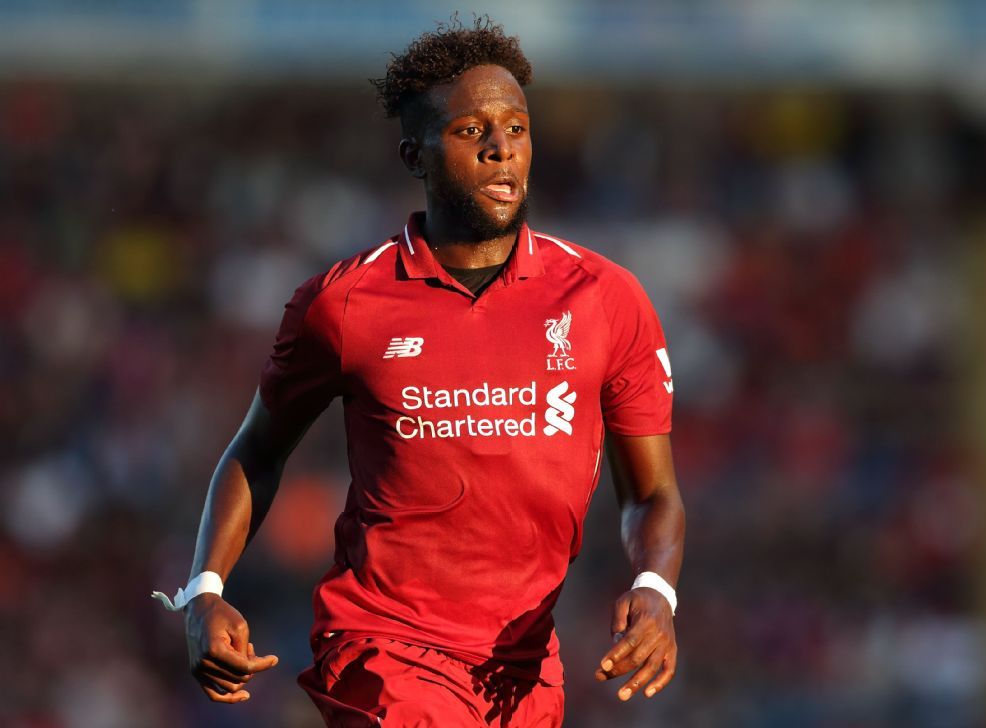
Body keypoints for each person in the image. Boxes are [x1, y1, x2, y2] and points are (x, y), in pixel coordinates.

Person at [152, 18, 685, 727]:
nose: (501, 149)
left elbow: (652, 494)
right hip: (382, 648)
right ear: (416, 155)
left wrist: (656, 588)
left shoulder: (605, 300)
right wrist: (204, 589)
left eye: (517, 129)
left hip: (523, 671)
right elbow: (257, 450)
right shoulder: (344, 302)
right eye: (471, 131)